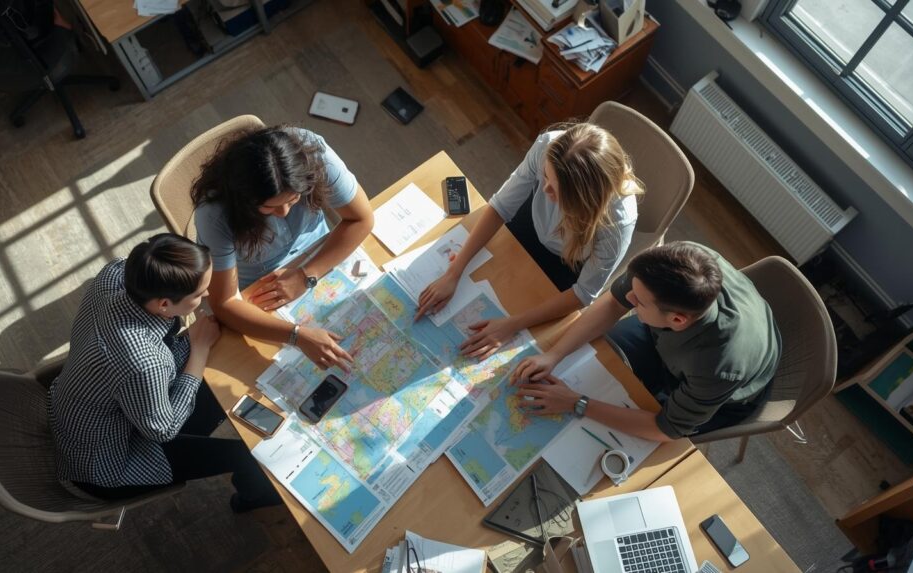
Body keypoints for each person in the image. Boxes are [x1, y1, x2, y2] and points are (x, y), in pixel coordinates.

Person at [48, 234, 281, 512]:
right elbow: (164, 430)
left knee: (221, 383)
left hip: (78, 408)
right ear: (163, 305)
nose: (206, 294)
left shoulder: (116, 272)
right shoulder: (145, 363)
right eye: (198, 293)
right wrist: (199, 349)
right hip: (103, 464)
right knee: (247, 454)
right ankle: (253, 497)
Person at [511, 242, 781, 442]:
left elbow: (666, 428)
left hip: (723, 394)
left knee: (620, 439)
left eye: (637, 302)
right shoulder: (681, 259)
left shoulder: (720, 364)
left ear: (677, 320)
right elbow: (614, 302)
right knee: (599, 355)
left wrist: (576, 403)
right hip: (665, 337)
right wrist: (553, 355)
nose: (627, 299)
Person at [416, 122, 643, 358]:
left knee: (517, 302)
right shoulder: (549, 145)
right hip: (528, 223)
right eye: (544, 176)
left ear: (584, 203)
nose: (544, 190)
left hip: (565, 264)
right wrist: (454, 272)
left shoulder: (619, 220)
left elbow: (584, 293)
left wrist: (513, 324)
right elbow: (501, 206)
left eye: (556, 190)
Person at [191, 125, 374, 371]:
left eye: (293, 199)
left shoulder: (313, 155)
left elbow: (362, 219)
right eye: (269, 208)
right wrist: (297, 335)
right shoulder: (214, 212)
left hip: (318, 253)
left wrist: (307, 275)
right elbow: (224, 303)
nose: (284, 212)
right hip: (254, 290)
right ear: (244, 200)